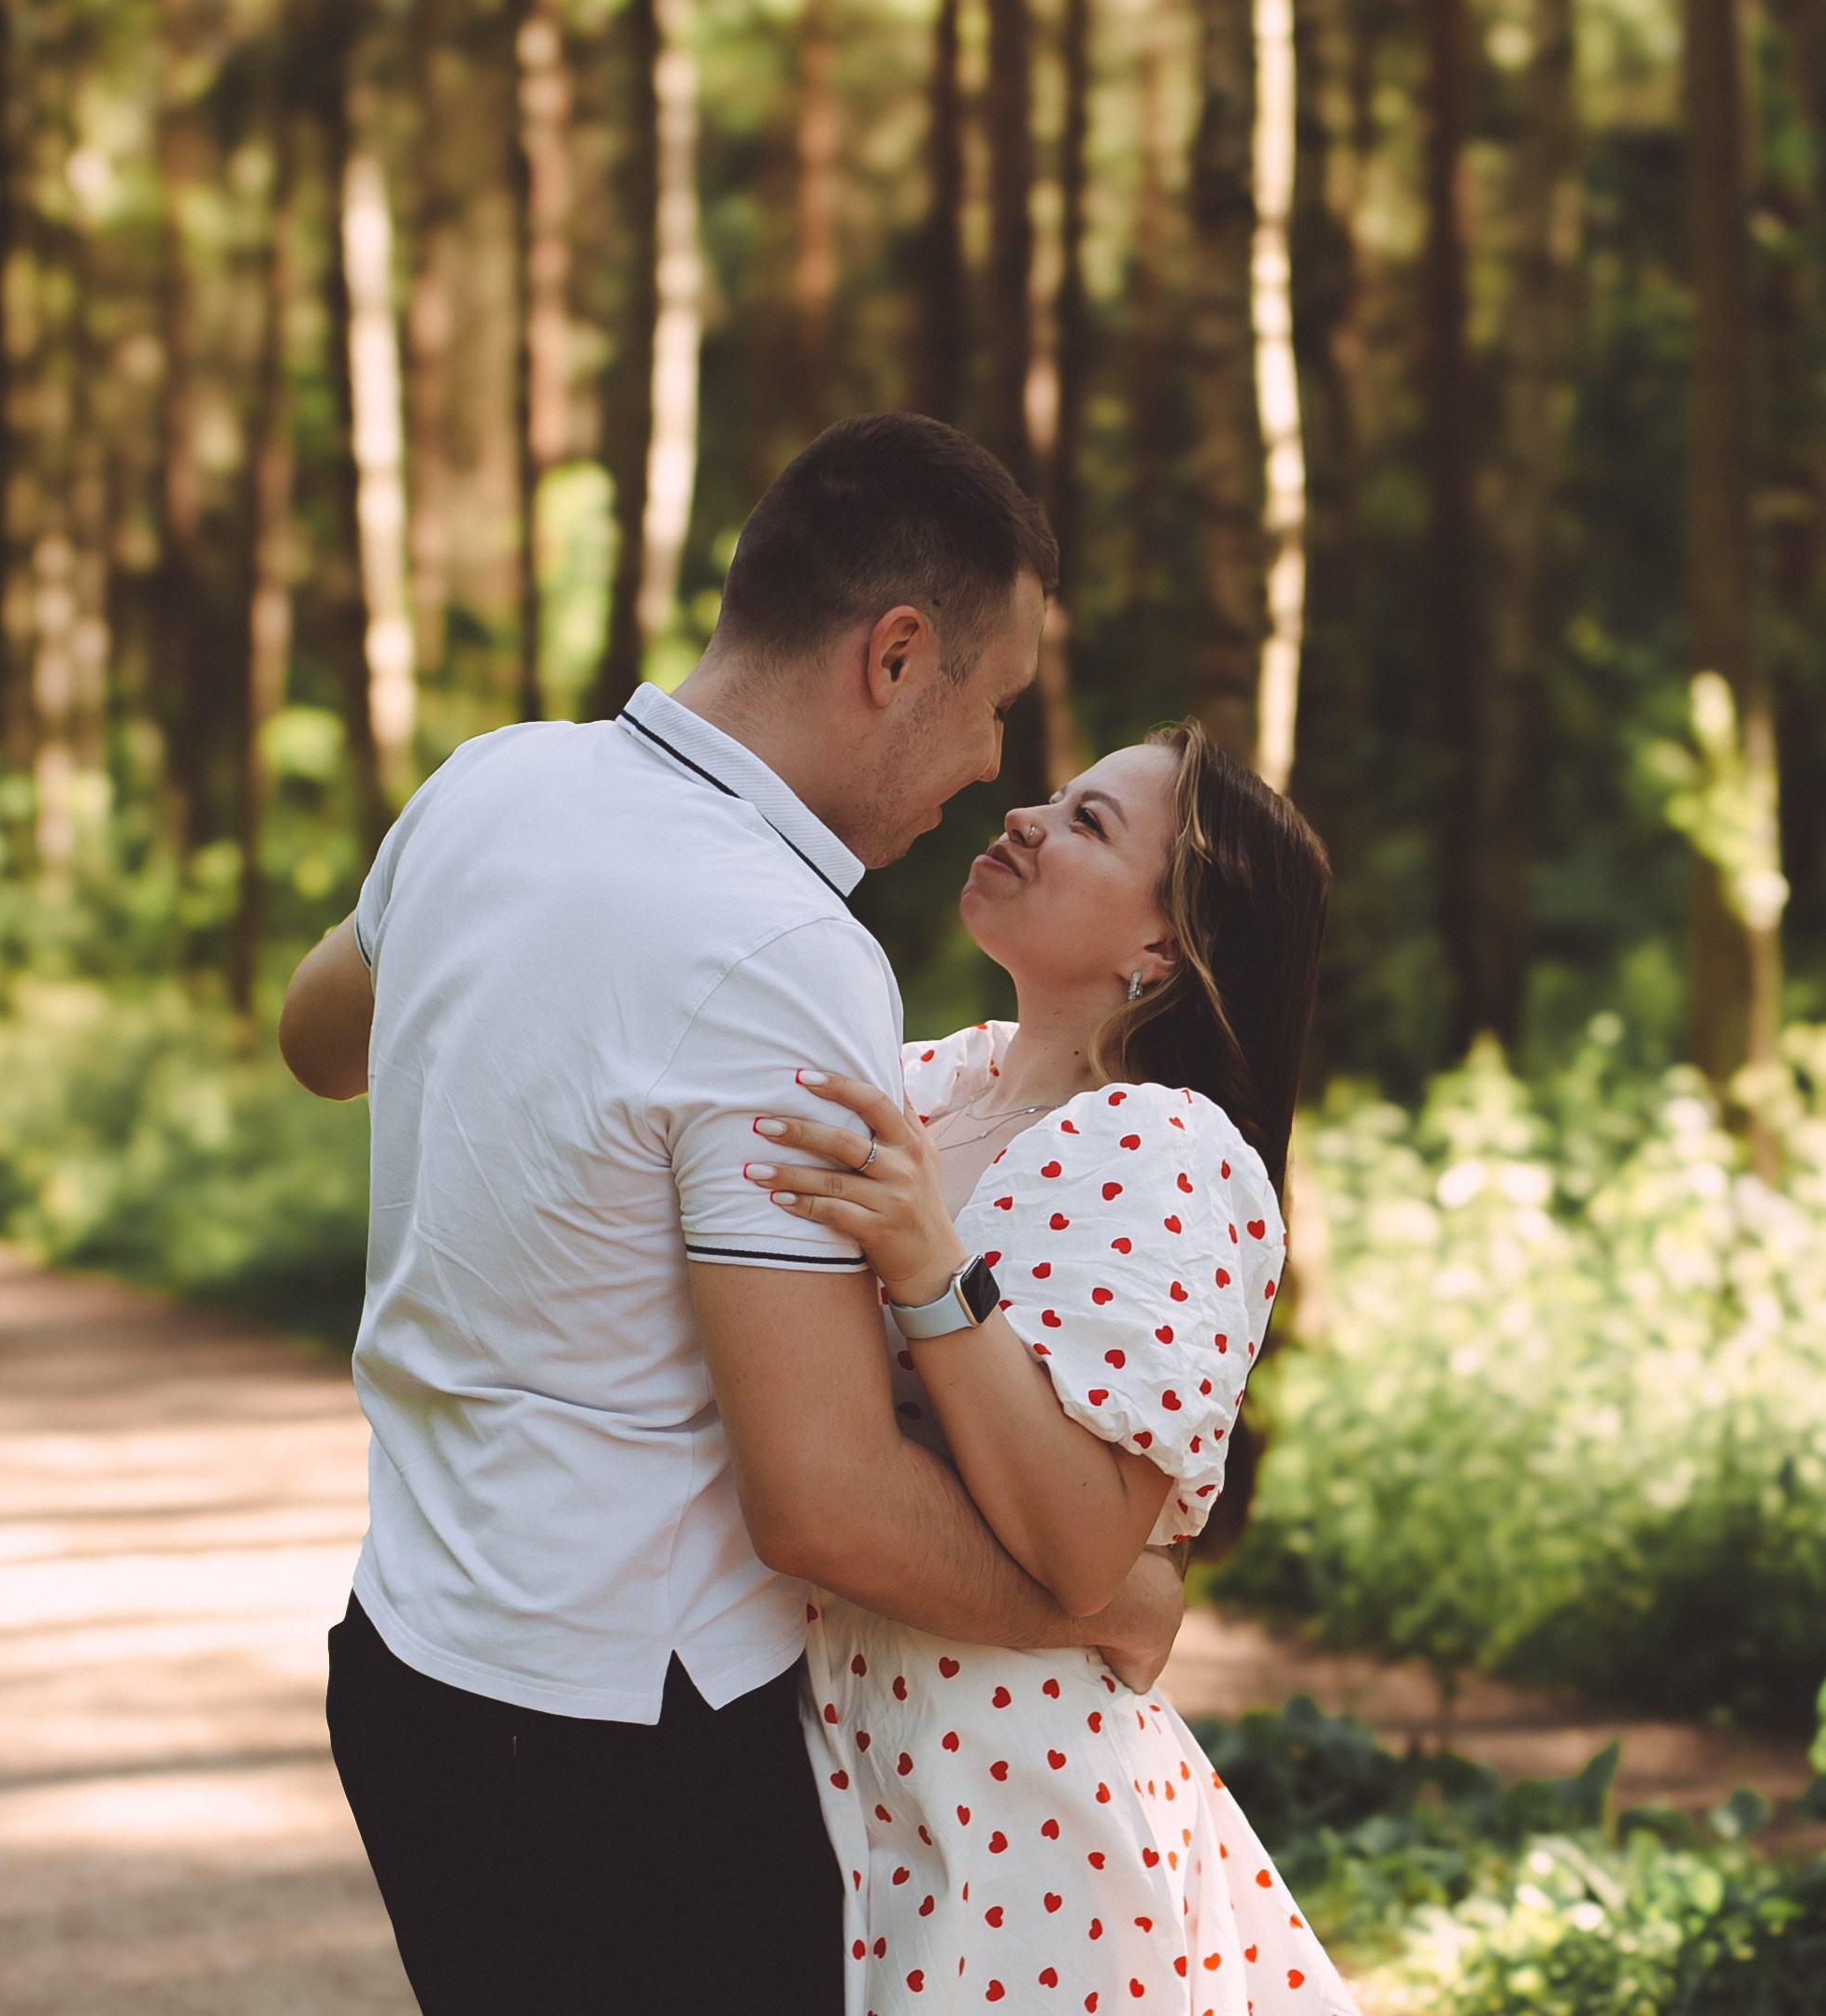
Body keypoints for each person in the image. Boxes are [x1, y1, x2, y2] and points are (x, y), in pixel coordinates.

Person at [278, 412, 1187, 2016]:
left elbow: (317, 1038)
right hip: (624, 1754)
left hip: (407, 1668)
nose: (993, 762)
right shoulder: (784, 947)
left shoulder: (491, 781)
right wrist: (1103, 1596)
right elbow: (822, 1508)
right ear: (896, 657)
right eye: (992, 705)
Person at [746, 721, 1359, 2013]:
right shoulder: (929, 1080)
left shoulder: (1161, 1148)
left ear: (1161, 952)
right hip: (841, 1760)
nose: (1026, 816)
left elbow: (1085, 1545)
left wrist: (928, 1268)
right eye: (1056, 797)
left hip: (1018, 1815)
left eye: (1089, 824)